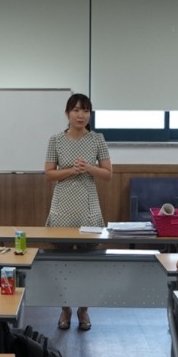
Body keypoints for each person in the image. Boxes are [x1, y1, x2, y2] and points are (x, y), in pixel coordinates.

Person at [44, 93, 112, 331]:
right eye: (75, 110)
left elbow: (108, 174)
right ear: (67, 114)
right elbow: (49, 173)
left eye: (85, 110)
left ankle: (84, 309)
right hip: (62, 207)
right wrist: (71, 171)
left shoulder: (97, 139)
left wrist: (89, 167)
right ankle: (65, 309)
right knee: (61, 262)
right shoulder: (55, 140)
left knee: (87, 262)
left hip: (88, 208)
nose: (80, 114)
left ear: (90, 114)